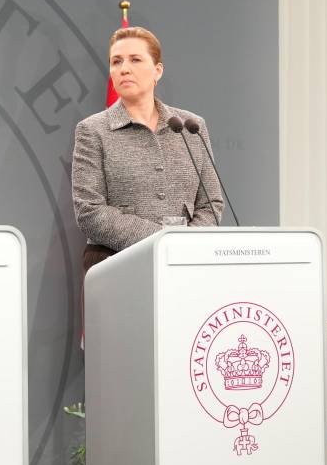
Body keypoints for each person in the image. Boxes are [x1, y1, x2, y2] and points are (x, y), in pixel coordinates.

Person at [71, 26, 224, 321]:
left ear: (157, 70)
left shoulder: (191, 126)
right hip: (116, 267)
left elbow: (211, 204)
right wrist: (163, 242)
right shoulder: (92, 130)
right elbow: (89, 212)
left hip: (185, 269)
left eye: (135, 60)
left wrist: (185, 248)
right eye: (116, 61)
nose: (124, 69)